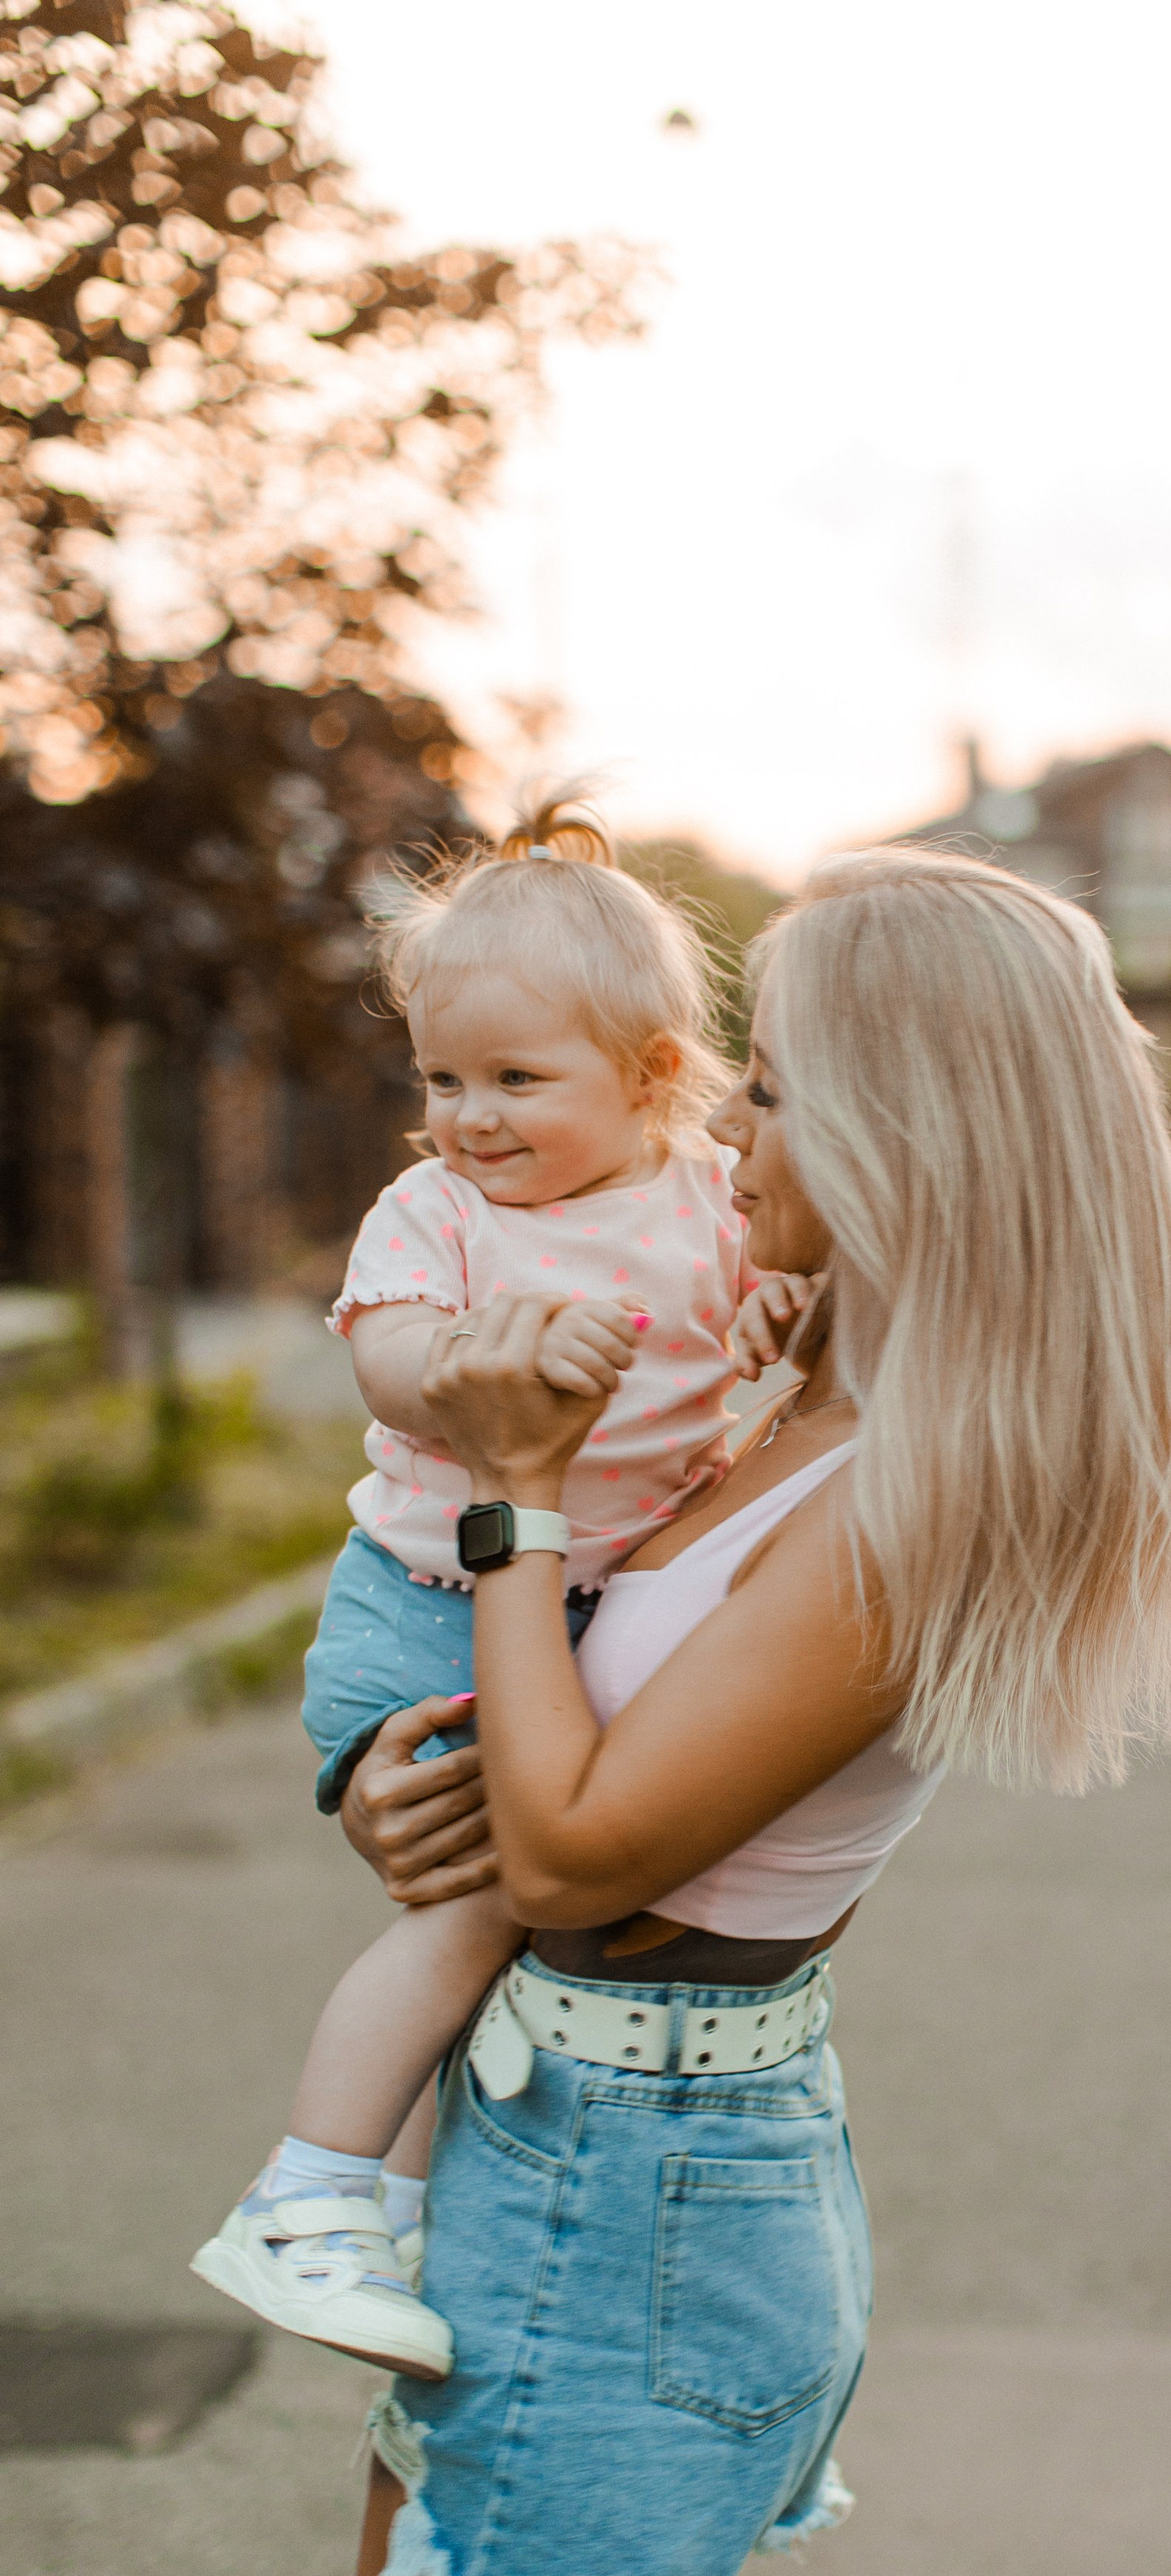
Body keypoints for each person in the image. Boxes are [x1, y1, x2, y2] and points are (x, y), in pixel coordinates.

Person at [332, 844, 1171, 2576]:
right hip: (564, 2145)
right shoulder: (794, 1411)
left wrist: (516, 1494)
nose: (722, 1128)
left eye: (773, 1092)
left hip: (632, 2194)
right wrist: (399, 1780)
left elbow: (568, 1859)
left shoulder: (905, 1502)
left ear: (905, 1135)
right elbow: (530, 1778)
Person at [192, 787, 754, 2382]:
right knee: (481, 1917)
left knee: (523, 1938)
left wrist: (780, 1333)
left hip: (562, 1610)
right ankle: (303, 2196)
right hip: (427, 1612)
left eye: (516, 1078)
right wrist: (475, 1375)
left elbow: (782, 1307)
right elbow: (385, 1352)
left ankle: (400, 2210)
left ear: (650, 1080)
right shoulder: (435, 1213)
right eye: (443, 1078)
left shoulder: (703, 1199)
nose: (471, 1115)